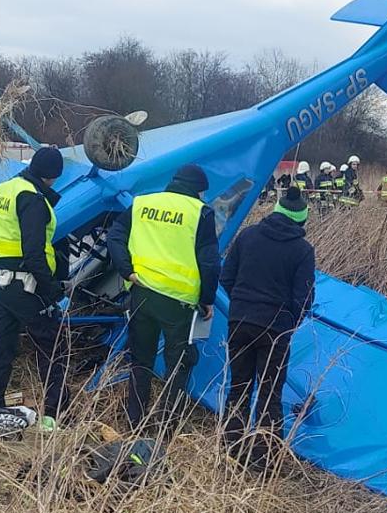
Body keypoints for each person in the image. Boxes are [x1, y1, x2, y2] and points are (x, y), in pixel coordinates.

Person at [106, 164, 222, 430]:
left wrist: (127, 270)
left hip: (142, 294)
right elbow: (210, 263)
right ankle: (166, 427)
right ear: (198, 190)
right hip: (177, 303)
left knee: (141, 360)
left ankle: (135, 421)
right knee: (179, 363)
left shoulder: (142, 203)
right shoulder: (200, 212)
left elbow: (115, 237)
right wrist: (207, 299)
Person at [220, 186, 315, 469]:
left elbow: (226, 278)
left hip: (240, 322)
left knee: (238, 388)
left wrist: (240, 305)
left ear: (275, 210)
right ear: (301, 218)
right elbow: (304, 297)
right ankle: (264, 461)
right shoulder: (302, 250)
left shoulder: (247, 236)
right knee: (270, 394)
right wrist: (289, 324)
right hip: (275, 330)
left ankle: (232, 451)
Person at [0, 146, 71, 433]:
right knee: (52, 348)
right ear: (53, 176)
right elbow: (33, 252)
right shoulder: (33, 199)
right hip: (24, 283)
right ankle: (56, 415)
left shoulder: (6, 189)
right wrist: (52, 290)